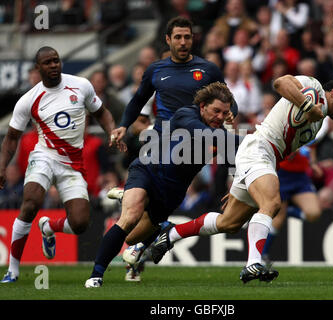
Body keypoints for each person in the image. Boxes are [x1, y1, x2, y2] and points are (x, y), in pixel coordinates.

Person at [149, 75, 333, 283]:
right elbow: (280, 83)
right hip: (259, 149)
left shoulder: (318, 123)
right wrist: (308, 106)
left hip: (262, 158)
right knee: (272, 203)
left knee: (229, 223)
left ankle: (170, 234)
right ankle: (253, 263)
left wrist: (248, 177)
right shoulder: (314, 87)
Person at [84, 82, 241, 288]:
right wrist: (251, 141)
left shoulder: (219, 132)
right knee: (130, 217)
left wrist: (236, 186)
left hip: (172, 191)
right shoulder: (186, 115)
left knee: (131, 239)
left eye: (225, 113)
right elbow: (214, 137)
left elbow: (232, 160)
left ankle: (160, 225)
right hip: (149, 170)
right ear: (202, 106)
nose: (220, 117)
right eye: (216, 111)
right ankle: (96, 276)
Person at [0, 46, 117, 283]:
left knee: (80, 223)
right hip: (45, 157)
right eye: (47, 62)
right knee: (31, 202)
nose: (53, 65)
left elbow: (101, 113)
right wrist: (1, 169)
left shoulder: (81, 85)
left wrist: (111, 132)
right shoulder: (29, 99)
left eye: (56, 61)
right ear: (38, 68)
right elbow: (11, 137)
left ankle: (49, 226)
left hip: (72, 164)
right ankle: (13, 270)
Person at [111, 16, 238, 152]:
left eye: (187, 37)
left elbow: (229, 101)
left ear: (192, 39)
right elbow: (138, 100)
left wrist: (231, 112)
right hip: (165, 139)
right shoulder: (155, 70)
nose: (183, 42)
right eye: (178, 37)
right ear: (168, 39)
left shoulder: (209, 69)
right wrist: (124, 125)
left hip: (198, 141)